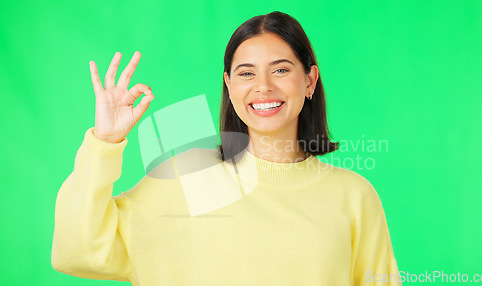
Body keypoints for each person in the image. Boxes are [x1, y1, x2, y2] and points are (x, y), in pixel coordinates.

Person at [51, 11, 402, 285]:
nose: (263, 87)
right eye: (246, 74)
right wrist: (105, 142)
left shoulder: (353, 196)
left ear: (309, 80)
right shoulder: (187, 177)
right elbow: (77, 251)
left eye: (280, 70)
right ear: (229, 86)